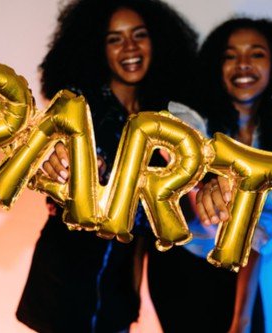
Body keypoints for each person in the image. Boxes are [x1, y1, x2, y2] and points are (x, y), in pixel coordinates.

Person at [15, 1, 202, 332]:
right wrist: (62, 167)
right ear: (97, 48)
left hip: (121, 287)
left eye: (139, 35)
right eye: (114, 39)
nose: (129, 47)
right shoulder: (77, 105)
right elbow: (54, 153)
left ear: (157, 40)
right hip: (65, 282)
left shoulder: (168, 119)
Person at [147, 17, 272, 333]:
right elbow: (173, 153)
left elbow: (257, 236)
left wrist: (241, 319)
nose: (242, 64)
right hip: (181, 267)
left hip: (236, 270)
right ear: (217, 67)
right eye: (230, 55)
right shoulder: (190, 119)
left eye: (256, 54)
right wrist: (203, 183)